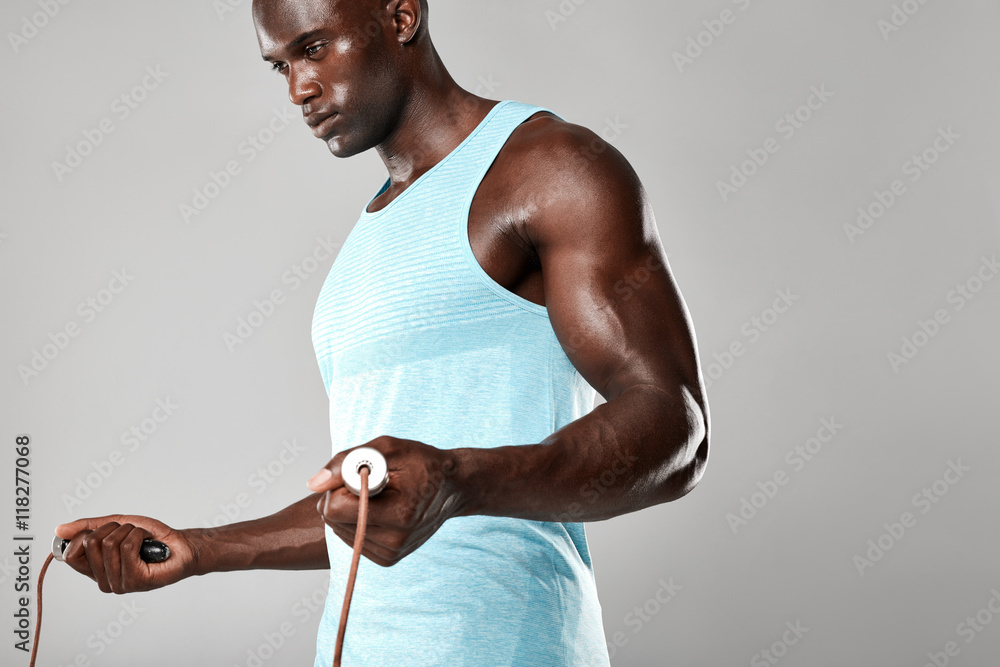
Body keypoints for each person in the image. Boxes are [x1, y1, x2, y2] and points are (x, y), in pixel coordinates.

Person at [55, 0, 710, 664]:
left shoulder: (551, 168)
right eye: (279, 66)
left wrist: (460, 479)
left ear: (401, 16)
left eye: (313, 50)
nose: (297, 89)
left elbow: (675, 427)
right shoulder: (369, 238)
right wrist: (203, 548)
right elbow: (378, 503)